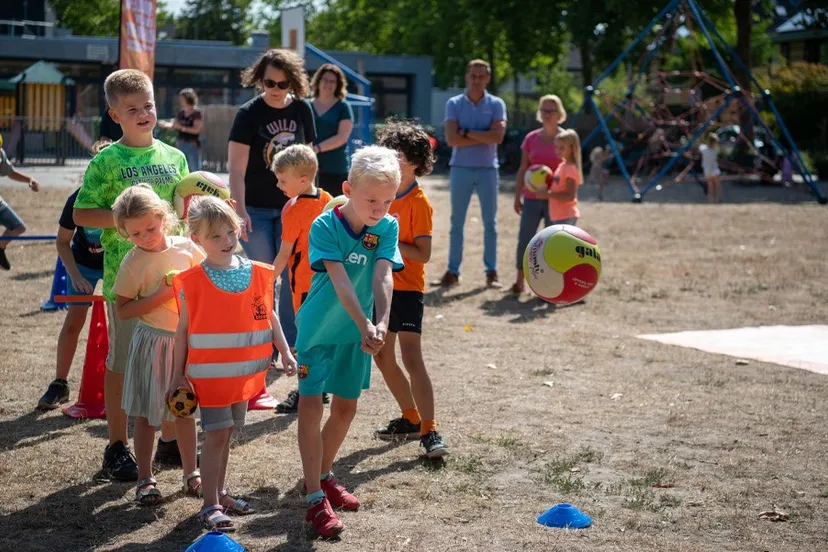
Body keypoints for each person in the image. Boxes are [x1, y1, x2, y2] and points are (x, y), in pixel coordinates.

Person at [73, 68, 189, 481]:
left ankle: (172, 439)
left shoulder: (174, 157)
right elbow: (81, 213)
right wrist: (127, 218)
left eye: (149, 106)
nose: (143, 114)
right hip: (128, 282)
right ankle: (117, 446)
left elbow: (182, 212)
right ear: (114, 115)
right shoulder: (108, 160)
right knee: (123, 364)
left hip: (173, 283)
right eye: (132, 109)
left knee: (174, 363)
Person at [168, 196, 297, 532]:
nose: (226, 241)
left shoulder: (256, 273)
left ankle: (219, 493)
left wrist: (284, 351)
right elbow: (182, 333)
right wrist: (176, 375)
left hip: (243, 377)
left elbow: (269, 315)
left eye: (230, 232)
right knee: (215, 435)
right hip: (209, 379)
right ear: (196, 239)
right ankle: (209, 504)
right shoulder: (192, 281)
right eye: (215, 236)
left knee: (225, 435)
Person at [295, 146, 403, 538]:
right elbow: (340, 281)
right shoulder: (325, 225)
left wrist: (383, 322)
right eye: (371, 199)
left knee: (345, 408)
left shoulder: (387, 226)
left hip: (358, 335)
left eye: (387, 200)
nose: (379, 208)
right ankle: (312, 499)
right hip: (319, 330)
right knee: (310, 406)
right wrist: (364, 324)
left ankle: (322, 476)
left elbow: (383, 276)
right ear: (347, 189)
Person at [111, 184, 202, 505]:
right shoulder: (133, 263)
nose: (145, 236)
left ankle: (192, 473)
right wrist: (162, 295)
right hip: (152, 344)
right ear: (125, 234)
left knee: (185, 409)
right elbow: (122, 310)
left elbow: (207, 280)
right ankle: (146, 479)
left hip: (186, 343)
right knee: (147, 416)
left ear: (164, 218)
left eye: (150, 227)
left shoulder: (188, 249)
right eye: (135, 233)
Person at [228, 48, 316, 352]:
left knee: (295, 274)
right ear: (259, 80)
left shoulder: (303, 110)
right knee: (265, 277)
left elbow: (309, 163)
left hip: (294, 207)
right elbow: (236, 170)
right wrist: (239, 212)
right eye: (270, 83)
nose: (276, 90)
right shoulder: (248, 114)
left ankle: (290, 343)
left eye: (283, 84)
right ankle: (264, 341)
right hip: (255, 208)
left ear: (293, 83)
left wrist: (310, 205)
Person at [373, 120, 449, 457]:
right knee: (382, 355)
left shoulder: (419, 202)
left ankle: (430, 430)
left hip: (407, 289)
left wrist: (386, 242)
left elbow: (424, 253)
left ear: (416, 162)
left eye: (399, 155)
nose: (391, 160)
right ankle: (411, 416)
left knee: (411, 358)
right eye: (389, 153)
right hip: (379, 285)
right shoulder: (380, 193)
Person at [268, 144, 333, 413]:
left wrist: (266, 279)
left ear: (303, 180)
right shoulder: (327, 198)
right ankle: (321, 387)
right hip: (328, 283)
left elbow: (284, 253)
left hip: (305, 286)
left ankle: (306, 392)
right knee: (321, 338)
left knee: (306, 341)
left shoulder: (295, 210)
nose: (278, 184)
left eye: (283, 180)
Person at [37, 157, 105, 409]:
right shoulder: (76, 200)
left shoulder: (124, 198)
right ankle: (59, 384)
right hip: (82, 264)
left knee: (123, 323)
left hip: (116, 263)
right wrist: (75, 275)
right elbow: (62, 242)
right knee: (74, 321)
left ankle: (124, 383)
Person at [435, 59, 507, 289]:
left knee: (491, 223)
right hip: (461, 168)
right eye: (473, 76)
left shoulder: (497, 104)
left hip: (488, 169)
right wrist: (483, 134)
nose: (477, 80)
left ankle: (491, 271)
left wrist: (466, 132)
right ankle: (453, 271)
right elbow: (451, 139)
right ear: (467, 77)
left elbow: (498, 138)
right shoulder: (454, 103)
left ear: (488, 78)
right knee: (457, 222)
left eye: (481, 76)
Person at [511, 95, 564, 295]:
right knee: (525, 240)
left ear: (559, 114)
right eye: (543, 110)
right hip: (532, 199)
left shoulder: (566, 138)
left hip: (555, 201)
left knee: (552, 245)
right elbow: (523, 168)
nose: (547, 114)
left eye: (551, 110)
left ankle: (548, 287)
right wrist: (517, 196)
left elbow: (572, 170)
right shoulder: (531, 138)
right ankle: (519, 283)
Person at [308, 64, 354, 197]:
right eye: (325, 79)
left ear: (338, 85)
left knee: (334, 209)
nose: (328, 84)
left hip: (335, 168)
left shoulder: (343, 107)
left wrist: (316, 149)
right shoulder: (305, 105)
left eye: (332, 81)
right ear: (318, 81)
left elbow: (342, 137)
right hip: (307, 169)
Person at [0, 134, 40, 270]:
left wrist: (30, 179)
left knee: (18, 227)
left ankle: (0, 248)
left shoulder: (0, 153)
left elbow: (9, 172)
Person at [534, 129, 583, 227]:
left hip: (566, 216)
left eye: (562, 148)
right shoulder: (562, 165)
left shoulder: (570, 169)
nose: (557, 150)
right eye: (556, 147)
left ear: (572, 149)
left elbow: (570, 196)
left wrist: (548, 195)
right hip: (558, 216)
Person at [159, 88, 203, 171]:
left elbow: (196, 130)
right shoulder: (181, 112)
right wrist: (165, 124)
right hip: (180, 144)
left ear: (188, 98)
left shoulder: (196, 113)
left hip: (192, 145)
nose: (180, 100)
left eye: (182, 98)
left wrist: (182, 128)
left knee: (194, 169)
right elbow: (174, 125)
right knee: (180, 169)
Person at [699, 133, 722, 202]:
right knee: (718, 185)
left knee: (710, 185)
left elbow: (700, 146)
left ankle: (710, 200)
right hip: (714, 170)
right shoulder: (714, 151)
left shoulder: (703, 149)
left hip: (707, 170)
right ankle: (718, 198)